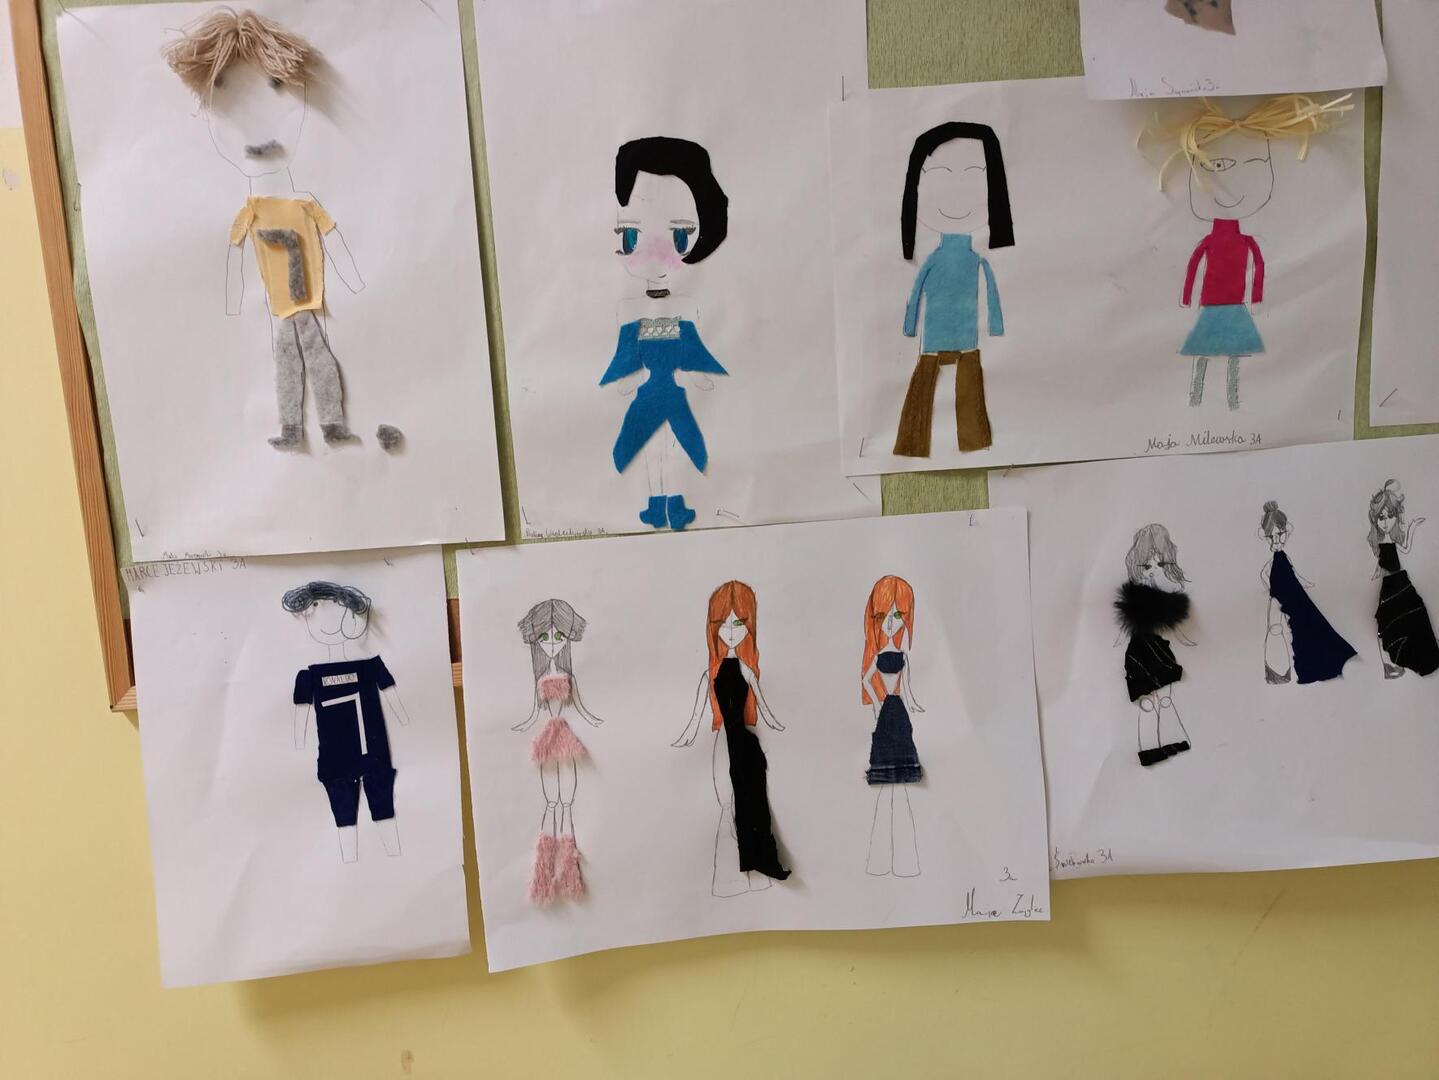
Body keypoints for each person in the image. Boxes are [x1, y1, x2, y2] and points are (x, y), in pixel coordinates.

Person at [164, 8, 393, 451]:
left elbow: (331, 235)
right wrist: (234, 302)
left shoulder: (304, 203)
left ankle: (319, 425)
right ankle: (310, 426)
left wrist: (356, 282)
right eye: (224, 89)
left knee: (308, 356)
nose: (255, 121)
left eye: (274, 87)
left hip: (304, 300)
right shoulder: (250, 211)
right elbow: (235, 253)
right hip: (282, 303)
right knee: (294, 357)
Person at [601, 137, 729, 531]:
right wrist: (626, 378)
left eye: (679, 237)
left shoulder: (686, 304)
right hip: (648, 393)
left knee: (675, 446)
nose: (653, 256)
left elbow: (692, 348)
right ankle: (656, 504)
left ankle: (674, 501)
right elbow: (627, 350)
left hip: (672, 393)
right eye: (631, 237)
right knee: (651, 447)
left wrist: (699, 374)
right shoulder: (629, 309)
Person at [893, 122, 1014, 457]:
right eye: (940, 176)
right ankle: (915, 443)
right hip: (942, 339)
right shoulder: (945, 259)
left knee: (964, 387)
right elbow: (916, 291)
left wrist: (995, 326)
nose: (957, 194)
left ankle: (963, 442)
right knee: (927, 386)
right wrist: (909, 328)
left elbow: (990, 291)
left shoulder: (973, 260)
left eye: (975, 177)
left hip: (954, 340)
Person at [672, 582, 789, 896]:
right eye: (724, 624)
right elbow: (696, 715)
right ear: (713, 628)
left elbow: (763, 704)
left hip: (744, 744)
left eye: (740, 623)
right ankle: (729, 880)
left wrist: (776, 724)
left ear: (750, 626)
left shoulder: (748, 670)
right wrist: (685, 738)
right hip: (722, 742)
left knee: (749, 800)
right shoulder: (709, 674)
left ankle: (755, 866)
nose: (732, 631)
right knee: (727, 804)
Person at [284, 581, 410, 864]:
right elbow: (301, 708)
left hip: (372, 752)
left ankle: (394, 857)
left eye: (337, 606)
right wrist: (298, 744)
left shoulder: (369, 666)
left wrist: (404, 719)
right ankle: (350, 863)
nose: (327, 617)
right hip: (335, 758)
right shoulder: (310, 676)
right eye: (315, 607)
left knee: (383, 809)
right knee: (344, 817)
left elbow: (389, 691)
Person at [512, 600, 604, 905]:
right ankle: (544, 870)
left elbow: (581, 708)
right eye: (545, 636)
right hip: (549, 740)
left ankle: (568, 872)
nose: (552, 643)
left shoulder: (568, 676)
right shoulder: (539, 677)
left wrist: (593, 720)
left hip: (565, 739)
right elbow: (533, 712)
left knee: (566, 802)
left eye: (558, 636)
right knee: (552, 802)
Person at [1115, 525, 1196, 766]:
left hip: (1155, 650)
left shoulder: (1162, 602)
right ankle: (1151, 748)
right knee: (1148, 703)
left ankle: (1173, 740)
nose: (1152, 572)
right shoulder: (1139, 604)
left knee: (1164, 699)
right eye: (1146, 566)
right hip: (1141, 651)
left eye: (1159, 564)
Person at [859, 575, 924, 877]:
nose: (890, 622)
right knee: (885, 790)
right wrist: (876, 702)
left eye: (897, 616)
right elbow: (865, 680)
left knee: (903, 791)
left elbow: (907, 688)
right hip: (886, 710)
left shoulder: (903, 656)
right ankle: (879, 863)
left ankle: (905, 864)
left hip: (898, 711)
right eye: (883, 616)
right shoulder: (876, 655)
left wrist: (914, 706)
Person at [1257, 500, 1355, 684]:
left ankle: (1298, 668)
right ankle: (1277, 674)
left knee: (1302, 630)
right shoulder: (1273, 563)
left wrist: (1306, 584)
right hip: (1278, 600)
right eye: (1271, 536)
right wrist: (1271, 591)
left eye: (1280, 534)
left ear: (1286, 531)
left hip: (1292, 599)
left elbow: (1294, 574)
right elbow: (1264, 574)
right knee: (1275, 630)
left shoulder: (1284, 558)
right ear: (1265, 536)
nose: (1276, 540)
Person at [1367, 480, 1437, 678]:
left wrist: (1412, 526)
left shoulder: (1392, 540)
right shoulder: (1382, 541)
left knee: (1412, 610)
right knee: (1387, 621)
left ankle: (1419, 649)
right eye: (1381, 517)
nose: (1385, 521)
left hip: (1398, 581)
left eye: (1390, 516)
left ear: (1396, 516)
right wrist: (1377, 573)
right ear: (1375, 519)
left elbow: (1405, 548)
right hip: (1390, 585)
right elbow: (1381, 564)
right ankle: (1389, 664)